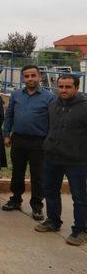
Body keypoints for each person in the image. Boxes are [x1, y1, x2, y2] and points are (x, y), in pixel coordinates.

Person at [35, 75, 87, 245]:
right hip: (52, 157)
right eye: (61, 86)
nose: (64, 90)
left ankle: (81, 230)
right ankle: (53, 221)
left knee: (79, 197)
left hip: (76, 160)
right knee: (50, 190)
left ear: (77, 88)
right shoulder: (53, 104)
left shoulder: (84, 106)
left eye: (68, 87)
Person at [2, 65, 54, 221]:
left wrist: (49, 141)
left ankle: (37, 205)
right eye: (26, 76)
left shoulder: (49, 97)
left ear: (39, 77)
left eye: (33, 75)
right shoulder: (16, 95)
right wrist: (6, 134)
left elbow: (54, 121)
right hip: (18, 139)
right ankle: (15, 199)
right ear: (23, 78)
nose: (30, 79)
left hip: (39, 141)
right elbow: (9, 115)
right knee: (17, 172)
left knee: (38, 175)